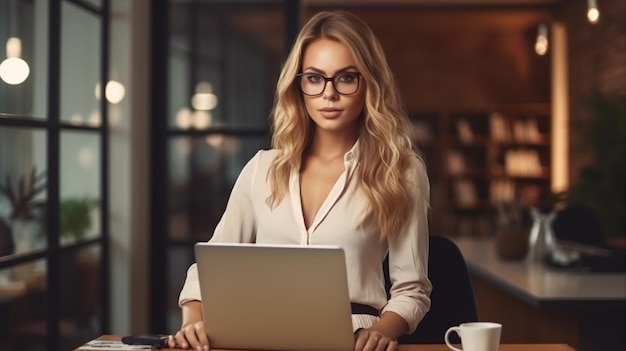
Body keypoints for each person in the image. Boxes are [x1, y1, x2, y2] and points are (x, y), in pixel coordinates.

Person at [169, 10, 432, 351]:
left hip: (352, 340)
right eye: (314, 78)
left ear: (369, 83)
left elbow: (412, 289)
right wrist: (194, 321)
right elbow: (208, 269)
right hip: (257, 335)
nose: (329, 94)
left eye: (346, 78)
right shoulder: (261, 169)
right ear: (299, 84)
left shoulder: (399, 170)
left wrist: (382, 331)